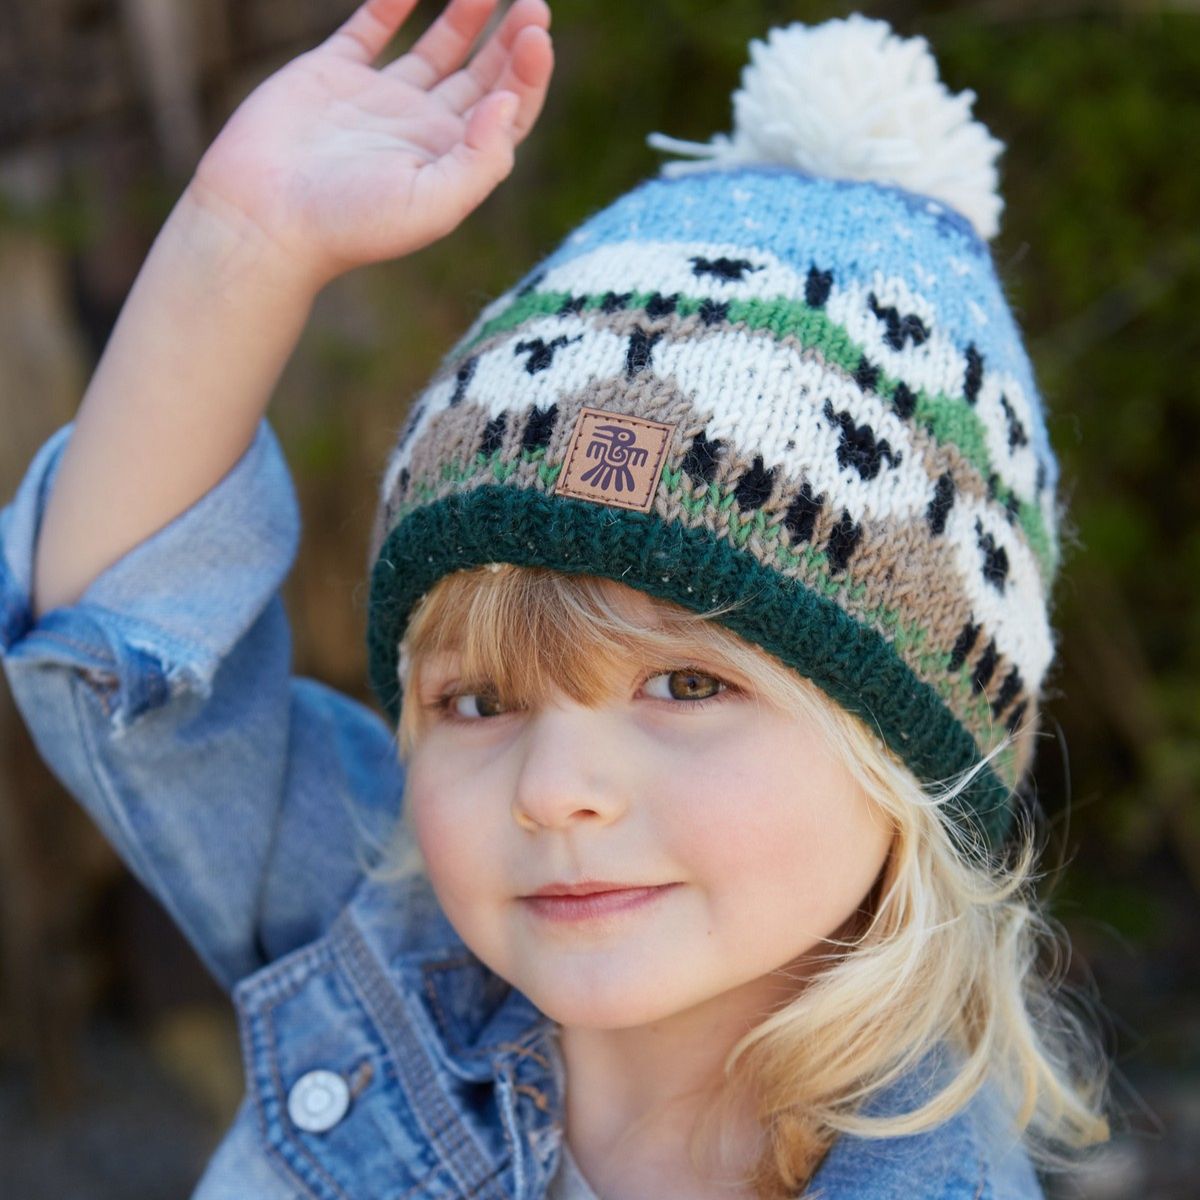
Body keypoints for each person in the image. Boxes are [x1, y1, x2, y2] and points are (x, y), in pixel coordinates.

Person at [0, 1, 1111, 1196]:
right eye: (478, 702)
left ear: (914, 749)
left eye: (687, 684)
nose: (553, 791)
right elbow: (131, 633)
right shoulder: (377, 934)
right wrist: (242, 242)